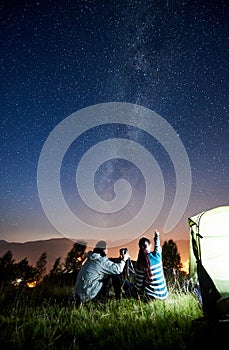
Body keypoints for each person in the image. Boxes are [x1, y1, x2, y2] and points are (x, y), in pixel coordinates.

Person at [134, 230, 168, 301]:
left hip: (151, 298)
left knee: (128, 286)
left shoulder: (140, 263)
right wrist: (156, 237)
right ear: (150, 246)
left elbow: (138, 285)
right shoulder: (157, 256)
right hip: (164, 296)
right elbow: (157, 247)